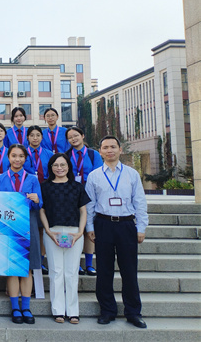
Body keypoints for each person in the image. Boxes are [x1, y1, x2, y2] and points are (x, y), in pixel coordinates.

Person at [85, 136, 148, 329]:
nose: (109, 150)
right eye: (105, 147)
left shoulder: (131, 174)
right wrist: (90, 227)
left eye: (113, 147)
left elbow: (140, 201)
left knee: (129, 270)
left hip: (126, 225)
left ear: (120, 150)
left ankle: (133, 312)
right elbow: (90, 204)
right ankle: (107, 311)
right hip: (103, 224)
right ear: (100, 152)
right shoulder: (94, 176)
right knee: (104, 270)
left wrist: (141, 227)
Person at [0, 144, 42, 325]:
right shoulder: (0, 179)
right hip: (9, 227)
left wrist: (36, 200)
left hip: (28, 225)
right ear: (8, 157)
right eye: (14, 155)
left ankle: (26, 307)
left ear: (25, 159)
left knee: (27, 268)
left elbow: (39, 205)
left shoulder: (32, 179)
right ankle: (15, 307)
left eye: (21, 156)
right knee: (12, 267)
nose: (17, 159)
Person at [40, 153, 89, 324]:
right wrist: (47, 230)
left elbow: (83, 211)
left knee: (71, 272)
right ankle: (58, 310)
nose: (59, 168)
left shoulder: (77, 186)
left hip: (73, 232)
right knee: (56, 272)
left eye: (63, 165)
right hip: (53, 232)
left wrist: (80, 232)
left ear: (68, 167)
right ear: (51, 168)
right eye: (55, 165)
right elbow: (42, 210)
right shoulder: (45, 187)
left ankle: (73, 311)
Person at [65, 126, 103, 276]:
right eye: (70, 137)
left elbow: (99, 175)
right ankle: (75, 264)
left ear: (82, 136)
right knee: (73, 229)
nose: (73, 139)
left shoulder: (93, 154)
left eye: (76, 135)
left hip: (90, 195)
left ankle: (89, 264)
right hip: (72, 196)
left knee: (88, 229)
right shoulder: (66, 155)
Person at [25, 125, 54, 274]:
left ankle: (41, 260)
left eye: (38, 135)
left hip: (45, 192)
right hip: (29, 194)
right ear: (27, 137)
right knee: (31, 227)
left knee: (42, 228)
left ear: (42, 137)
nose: (35, 138)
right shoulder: (23, 154)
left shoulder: (48, 154)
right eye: (32, 135)